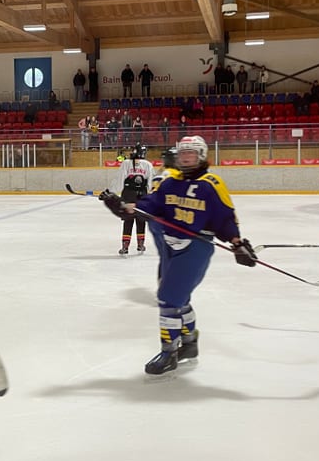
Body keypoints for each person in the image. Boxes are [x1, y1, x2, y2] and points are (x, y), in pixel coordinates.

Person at [99, 135, 257, 374]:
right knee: (179, 299)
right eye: (183, 153)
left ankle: (169, 352)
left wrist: (237, 243)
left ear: (201, 155)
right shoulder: (170, 182)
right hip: (171, 245)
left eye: (191, 153)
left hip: (195, 247)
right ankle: (190, 344)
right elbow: (151, 205)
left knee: (168, 297)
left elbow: (224, 218)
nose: (185, 157)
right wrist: (124, 207)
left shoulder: (211, 184)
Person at [108, 143, 155, 255]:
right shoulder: (148, 164)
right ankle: (140, 244)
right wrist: (150, 195)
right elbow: (151, 183)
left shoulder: (126, 163)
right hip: (142, 195)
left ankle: (125, 245)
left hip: (128, 194)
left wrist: (111, 192)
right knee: (141, 220)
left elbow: (119, 180)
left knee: (128, 219)